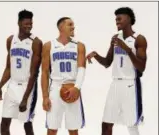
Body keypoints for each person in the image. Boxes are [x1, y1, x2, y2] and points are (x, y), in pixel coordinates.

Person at [87, 7, 147, 135]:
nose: (117, 21)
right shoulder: (115, 38)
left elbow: (142, 67)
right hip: (115, 84)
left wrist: (127, 49)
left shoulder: (139, 39)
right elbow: (107, 63)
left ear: (129, 19)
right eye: (115, 19)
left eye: (120, 18)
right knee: (106, 124)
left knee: (131, 125)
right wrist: (96, 55)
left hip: (130, 85)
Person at [0, 9, 43, 135]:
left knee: (27, 124)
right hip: (13, 86)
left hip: (28, 87)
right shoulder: (11, 40)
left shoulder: (36, 42)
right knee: (4, 123)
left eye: (31, 24)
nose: (29, 26)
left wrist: (25, 98)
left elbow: (34, 74)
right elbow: (8, 68)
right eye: (26, 24)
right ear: (19, 23)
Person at [41, 17, 86, 135]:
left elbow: (82, 69)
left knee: (73, 129)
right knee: (51, 129)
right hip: (55, 89)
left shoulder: (79, 45)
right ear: (61, 27)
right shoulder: (48, 46)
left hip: (72, 86)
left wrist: (77, 87)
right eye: (70, 25)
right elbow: (44, 72)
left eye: (73, 25)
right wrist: (45, 96)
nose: (73, 27)